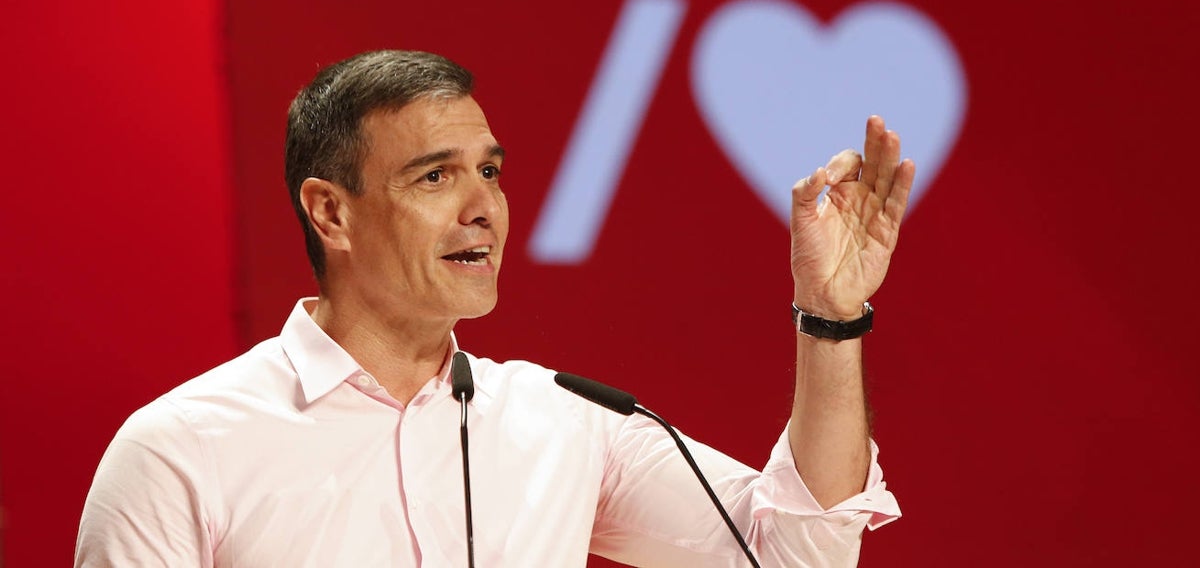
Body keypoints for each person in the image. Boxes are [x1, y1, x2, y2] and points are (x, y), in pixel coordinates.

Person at [75, 49, 912, 566]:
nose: (484, 207)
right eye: (435, 176)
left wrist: (830, 319)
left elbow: (793, 556)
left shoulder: (564, 423)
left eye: (491, 171)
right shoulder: (184, 448)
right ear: (331, 212)